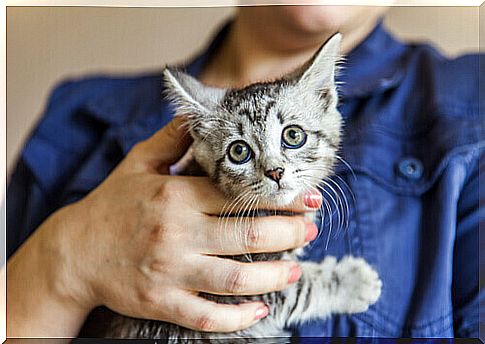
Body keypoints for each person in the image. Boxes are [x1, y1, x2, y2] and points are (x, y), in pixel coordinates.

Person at [6, 5, 483, 339]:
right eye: (241, 152)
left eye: (292, 138)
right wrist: (64, 260)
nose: (274, 169)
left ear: (324, 99)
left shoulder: (471, 100)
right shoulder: (78, 114)